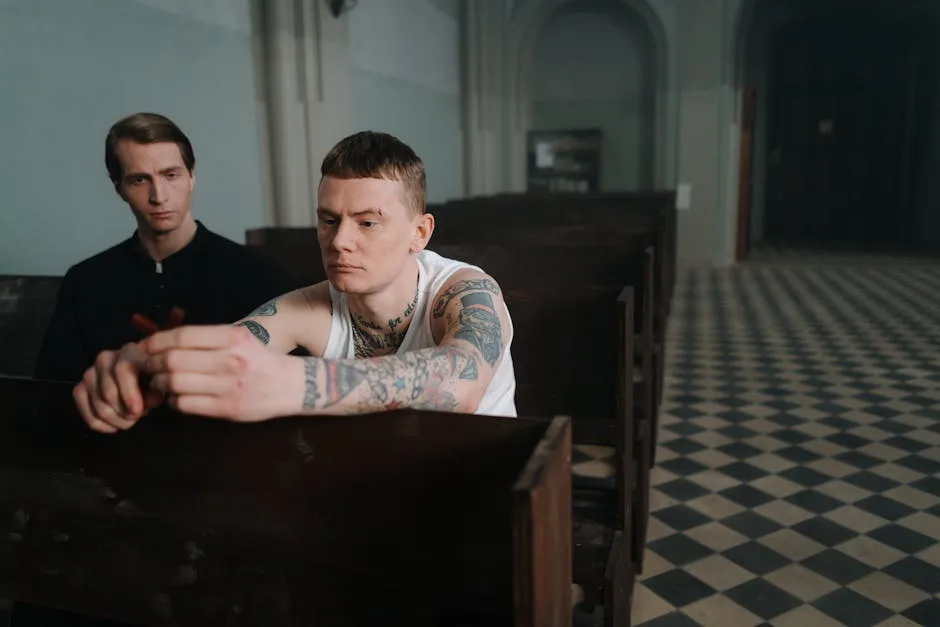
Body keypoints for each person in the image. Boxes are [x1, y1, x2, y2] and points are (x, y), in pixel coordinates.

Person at [72, 130, 517, 433]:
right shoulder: (312, 308)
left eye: (367, 223)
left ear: (419, 233)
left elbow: (463, 379)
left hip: (490, 490)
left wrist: (293, 383)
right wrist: (138, 363)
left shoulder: (466, 291)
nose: (340, 241)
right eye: (328, 220)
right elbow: (229, 351)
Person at [32, 112, 298, 383]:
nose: (159, 196)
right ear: (118, 188)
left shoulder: (260, 274)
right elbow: (51, 393)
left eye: (171, 175)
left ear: (191, 177)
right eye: (139, 180)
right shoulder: (84, 282)